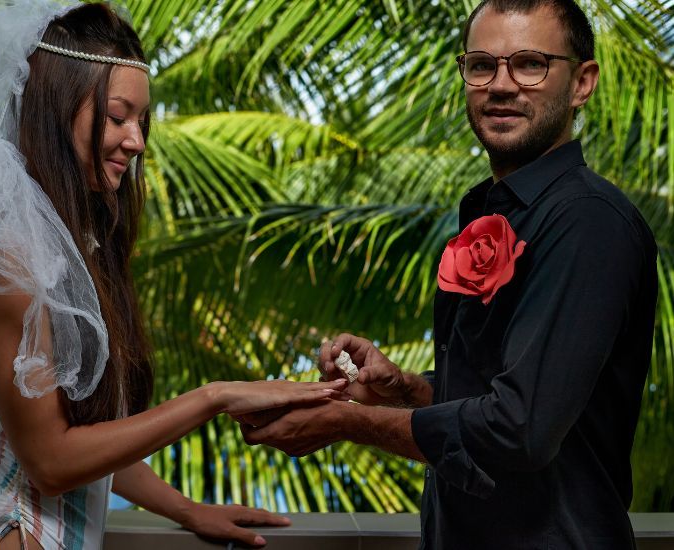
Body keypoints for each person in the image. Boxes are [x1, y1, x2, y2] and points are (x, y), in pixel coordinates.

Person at [0, 1, 348, 548]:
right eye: (119, 117)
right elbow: (49, 462)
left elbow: (85, 438)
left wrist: (187, 510)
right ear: (57, 105)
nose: (137, 141)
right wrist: (214, 398)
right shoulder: (7, 256)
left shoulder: (68, 243)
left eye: (142, 121)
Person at [240, 0, 658, 548]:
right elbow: (504, 390)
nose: (501, 85)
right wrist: (405, 389)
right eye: (482, 65)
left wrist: (345, 423)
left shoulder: (587, 221)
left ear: (582, 83)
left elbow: (519, 430)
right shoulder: (495, 210)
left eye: (529, 64)